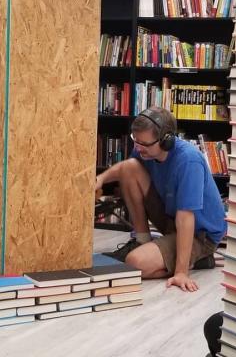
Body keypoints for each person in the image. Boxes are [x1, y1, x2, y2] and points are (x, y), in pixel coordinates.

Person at [96, 107, 227, 292]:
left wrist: (181, 272)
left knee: (134, 263)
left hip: (199, 234)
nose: (137, 147)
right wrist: (100, 179)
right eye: (136, 140)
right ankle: (141, 240)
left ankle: (198, 259)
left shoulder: (189, 161)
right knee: (129, 167)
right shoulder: (145, 151)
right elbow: (124, 169)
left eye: (144, 143)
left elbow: (186, 218)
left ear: (166, 140)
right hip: (171, 217)